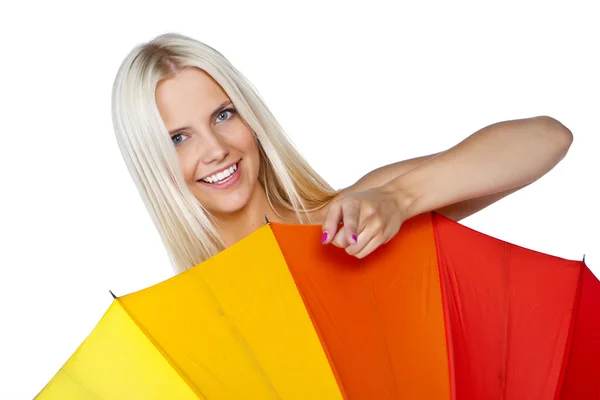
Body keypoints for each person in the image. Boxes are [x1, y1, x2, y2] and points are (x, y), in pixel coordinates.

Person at [111, 32, 573, 274]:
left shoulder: (346, 223)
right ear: (151, 162)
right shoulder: (186, 329)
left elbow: (547, 139)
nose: (215, 149)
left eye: (223, 115)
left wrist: (399, 199)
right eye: (178, 138)